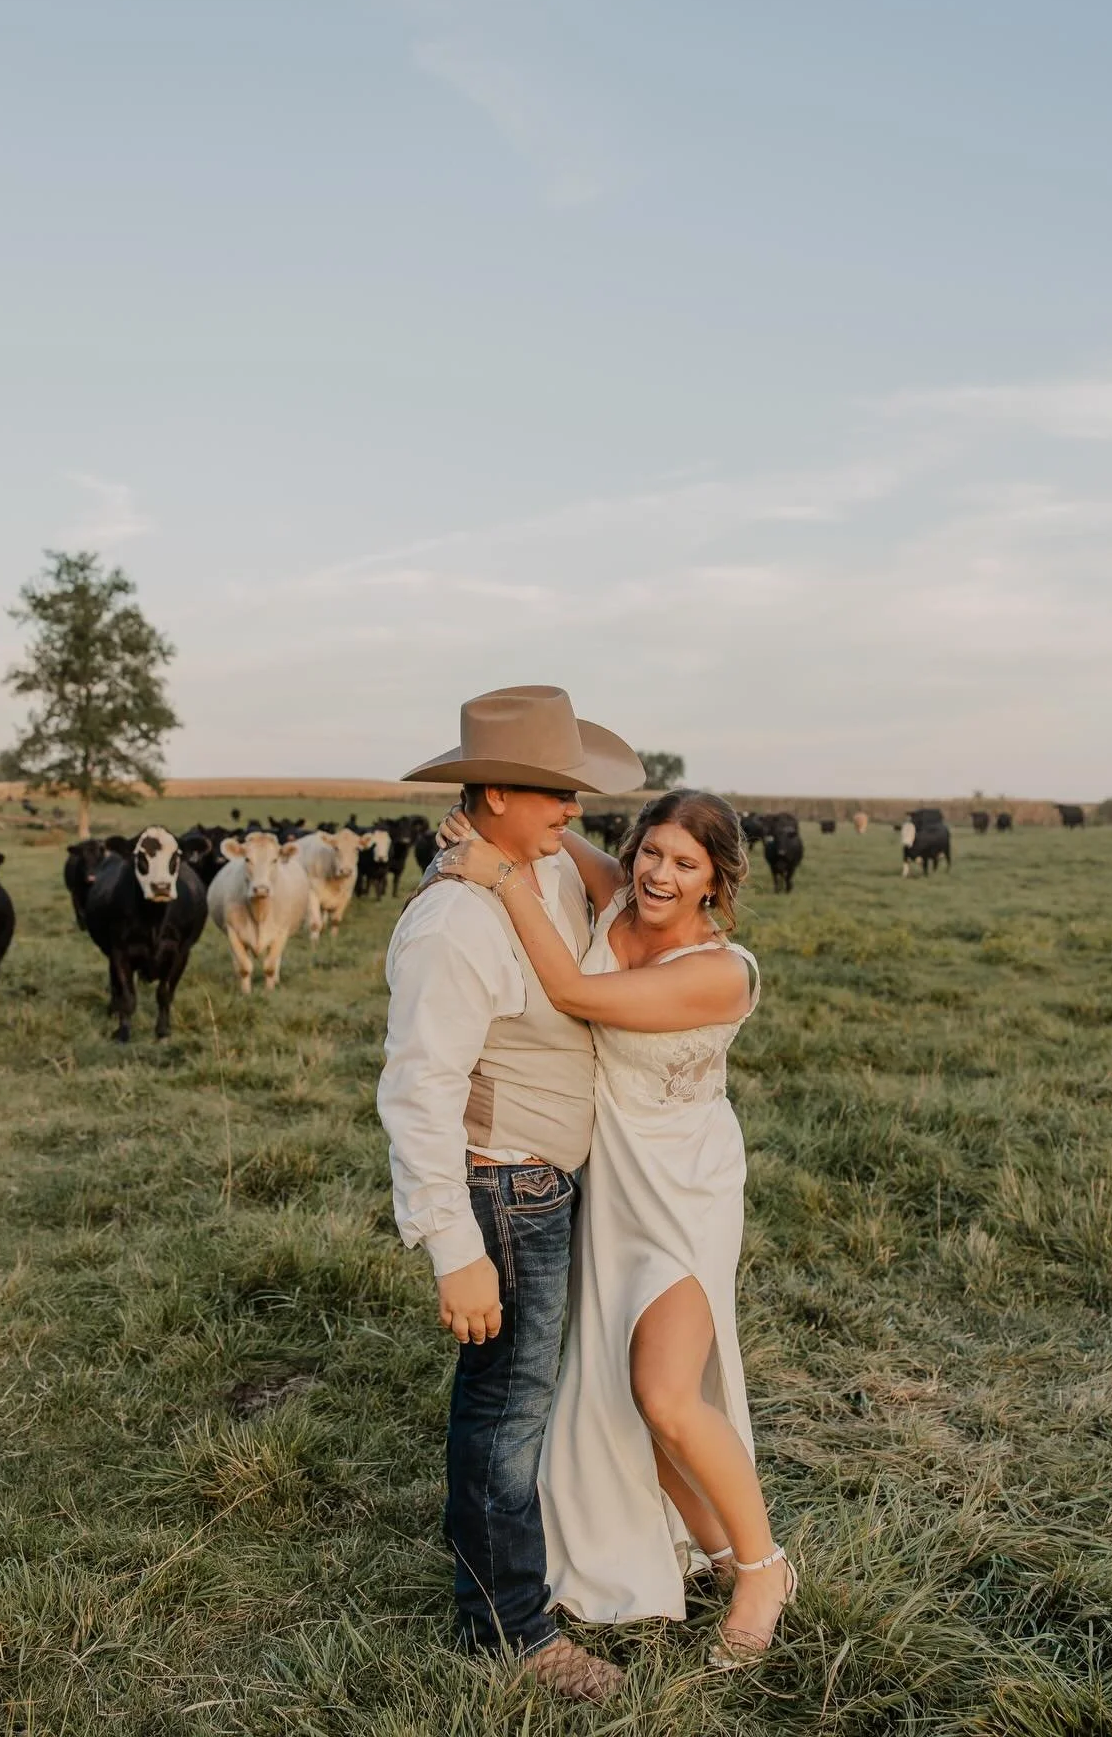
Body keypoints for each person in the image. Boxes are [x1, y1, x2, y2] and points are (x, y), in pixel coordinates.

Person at [438, 787, 795, 1668]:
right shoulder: (621, 893)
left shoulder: (722, 971)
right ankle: (719, 1550)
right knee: (633, 1393)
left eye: (686, 864)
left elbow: (571, 989)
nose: (660, 875)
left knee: (665, 1391)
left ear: (716, 880)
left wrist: (500, 879)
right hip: (610, 1183)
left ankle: (764, 1572)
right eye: (651, 853)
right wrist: (486, 830)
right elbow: (550, 837)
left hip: (684, 1190)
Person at [376, 686, 644, 1705]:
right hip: (503, 1186)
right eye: (554, 793)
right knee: (505, 1408)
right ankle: (510, 1630)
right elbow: (418, 1092)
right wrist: (454, 1248)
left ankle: (530, 1578)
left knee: (523, 1398)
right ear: (493, 792)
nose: (573, 811)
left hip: (548, 1181)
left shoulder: (544, 866)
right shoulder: (453, 922)